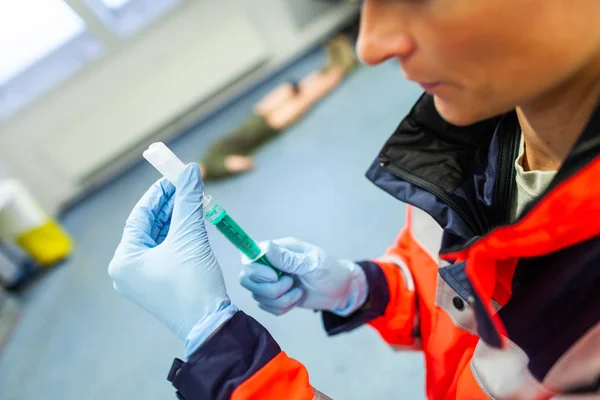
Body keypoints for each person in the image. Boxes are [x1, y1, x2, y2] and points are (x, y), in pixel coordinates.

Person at [108, 1, 600, 399]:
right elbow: (457, 305)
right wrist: (364, 289)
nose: (370, 45)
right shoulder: (467, 143)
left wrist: (223, 352)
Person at [199, 34, 357, 181]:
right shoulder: (214, 169)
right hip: (268, 127)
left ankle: (331, 65)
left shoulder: (207, 159)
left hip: (258, 116)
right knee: (309, 95)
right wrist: (238, 164)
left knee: (297, 89)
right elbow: (242, 163)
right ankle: (341, 67)